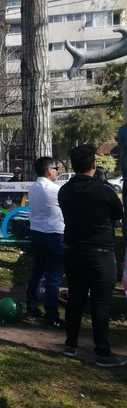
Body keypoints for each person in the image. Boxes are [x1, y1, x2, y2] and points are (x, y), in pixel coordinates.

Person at [58, 144, 126, 367]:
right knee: (100, 303)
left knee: (76, 298)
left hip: (73, 251)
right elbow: (118, 214)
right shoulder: (105, 191)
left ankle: (71, 345)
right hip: (100, 253)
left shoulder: (64, 190)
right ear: (94, 165)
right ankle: (103, 353)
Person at [25, 157, 65, 328]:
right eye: (56, 168)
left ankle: (32, 307)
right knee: (54, 278)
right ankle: (51, 315)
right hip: (54, 235)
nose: (57, 171)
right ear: (49, 170)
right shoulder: (56, 190)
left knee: (37, 271)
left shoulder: (32, 188)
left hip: (37, 234)